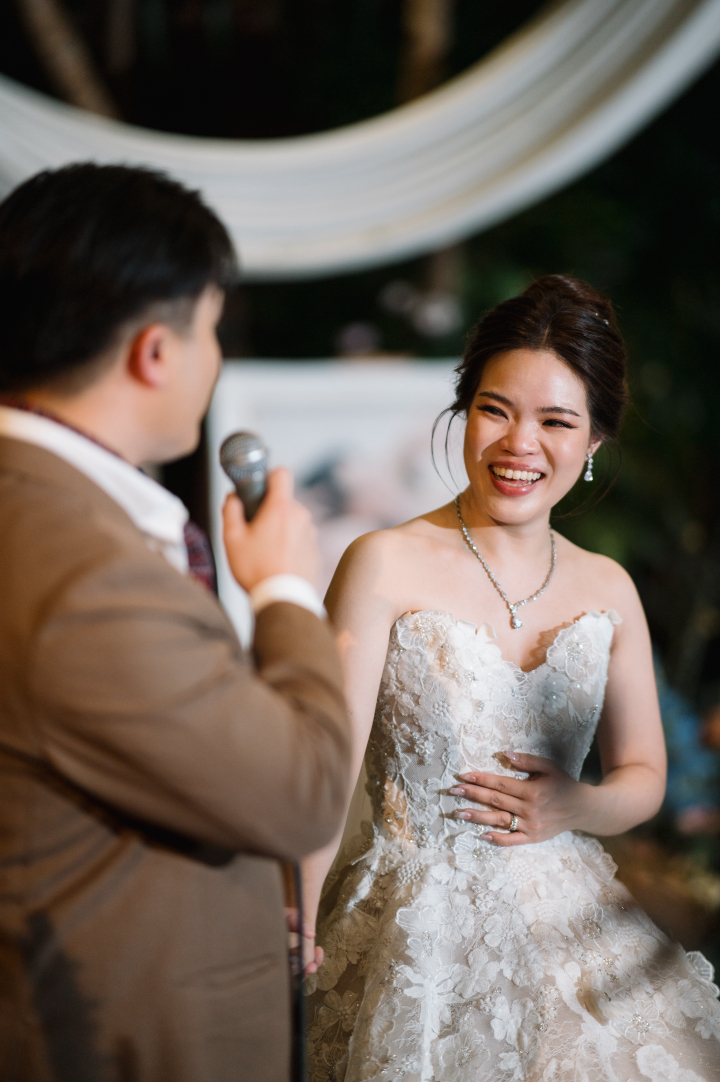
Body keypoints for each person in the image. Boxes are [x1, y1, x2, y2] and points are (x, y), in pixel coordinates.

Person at [303, 276, 720, 1081]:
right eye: (496, 410)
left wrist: (579, 803)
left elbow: (644, 775)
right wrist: (290, 914)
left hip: (576, 930)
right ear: (464, 411)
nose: (519, 444)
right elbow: (324, 764)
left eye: (556, 421)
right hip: (411, 932)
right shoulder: (383, 562)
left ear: (595, 440)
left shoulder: (609, 588)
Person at [0, 163, 351, 1082]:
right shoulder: (78, 566)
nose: (215, 358)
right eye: (211, 328)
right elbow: (304, 790)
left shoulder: (56, 513)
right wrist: (283, 589)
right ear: (156, 351)